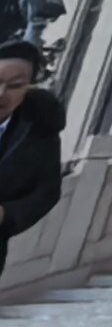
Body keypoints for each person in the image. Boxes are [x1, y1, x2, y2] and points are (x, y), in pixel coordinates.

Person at [0, 41, 64, 282]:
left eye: (15, 86)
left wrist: (7, 214)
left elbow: (47, 191)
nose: (1, 94)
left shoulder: (38, 131)